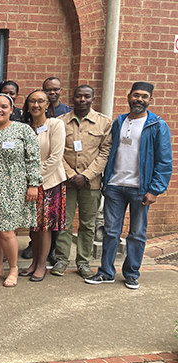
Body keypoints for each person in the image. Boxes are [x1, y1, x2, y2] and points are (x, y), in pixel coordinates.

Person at [85, 82, 172, 289]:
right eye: (136, 95)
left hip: (141, 189)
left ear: (150, 100)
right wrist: (107, 181)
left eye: (144, 96)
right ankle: (106, 272)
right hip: (115, 185)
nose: (139, 99)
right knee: (110, 231)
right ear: (128, 96)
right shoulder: (120, 122)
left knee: (137, 233)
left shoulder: (157, 125)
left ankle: (131, 273)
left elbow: (165, 161)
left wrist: (155, 189)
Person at [0, 93, 42, 287]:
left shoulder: (23, 130)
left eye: (4, 106)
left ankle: (13, 268)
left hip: (12, 186)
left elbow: (33, 159)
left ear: (12, 110)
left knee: (6, 230)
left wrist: (33, 184)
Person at [52, 85, 112, 278]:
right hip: (66, 182)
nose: (82, 99)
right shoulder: (60, 122)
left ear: (93, 99)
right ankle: (61, 259)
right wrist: (71, 175)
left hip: (91, 183)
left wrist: (86, 175)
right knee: (64, 223)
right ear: (73, 98)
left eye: (87, 96)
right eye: (79, 96)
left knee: (88, 224)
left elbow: (105, 153)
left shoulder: (103, 123)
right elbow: (57, 152)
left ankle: (83, 262)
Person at [18, 90, 67, 282]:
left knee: (44, 226)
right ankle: (33, 264)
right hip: (29, 185)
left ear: (48, 105)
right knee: (33, 225)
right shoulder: (24, 128)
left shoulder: (55, 124)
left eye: (41, 101)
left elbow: (55, 158)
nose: (36, 105)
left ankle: (41, 265)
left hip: (50, 183)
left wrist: (35, 180)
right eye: (32, 101)